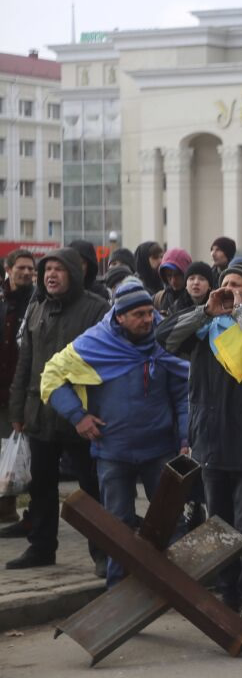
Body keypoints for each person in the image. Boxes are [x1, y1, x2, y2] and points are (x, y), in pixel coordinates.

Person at [156, 255, 242, 629]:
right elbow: (163, 337)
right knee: (219, 528)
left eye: (237, 285)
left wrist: (238, 315)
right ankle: (226, 597)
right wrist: (205, 312)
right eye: (225, 284)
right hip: (210, 441)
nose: (229, 291)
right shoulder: (203, 326)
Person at [42, 278, 190, 587]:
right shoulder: (94, 344)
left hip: (160, 451)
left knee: (171, 522)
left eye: (150, 312)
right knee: (117, 526)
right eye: (139, 315)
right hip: (113, 452)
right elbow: (51, 377)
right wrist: (78, 417)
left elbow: (183, 393)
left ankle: (179, 587)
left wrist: (186, 438)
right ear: (119, 316)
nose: (148, 320)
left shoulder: (165, 341)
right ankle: (119, 591)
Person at [5, 248, 110, 572]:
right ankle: (41, 547)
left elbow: (107, 363)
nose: (50, 275)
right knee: (42, 485)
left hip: (82, 413)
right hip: (40, 412)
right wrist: (17, 408)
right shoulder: (37, 307)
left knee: (91, 487)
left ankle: (103, 552)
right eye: (46, 269)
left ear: (74, 274)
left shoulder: (96, 309)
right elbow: (26, 361)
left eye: (58, 269)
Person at [0, 250, 35, 526]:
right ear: (8, 268)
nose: (25, 273)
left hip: (21, 388)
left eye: (30, 269)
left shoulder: (36, 302)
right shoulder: (2, 301)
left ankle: (12, 507)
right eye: (21, 267)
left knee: (17, 449)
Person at [153, 247, 193, 316]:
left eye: (177, 275)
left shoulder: (198, 298)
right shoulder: (159, 298)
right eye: (169, 276)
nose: (173, 280)